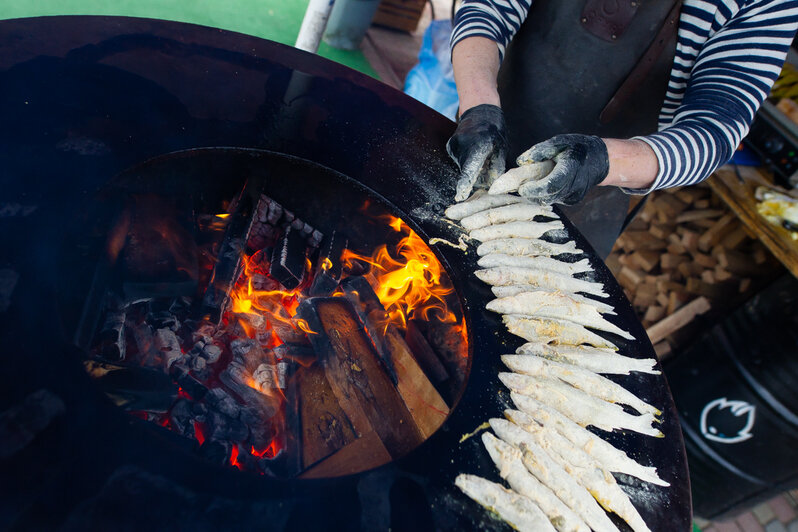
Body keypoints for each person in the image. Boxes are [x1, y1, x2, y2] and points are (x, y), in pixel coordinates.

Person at [445, 0, 798, 253]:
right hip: (481, 135)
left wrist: (600, 159)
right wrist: (479, 107)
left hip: (595, 193)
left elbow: (715, 131)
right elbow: (486, 10)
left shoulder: (767, 5)